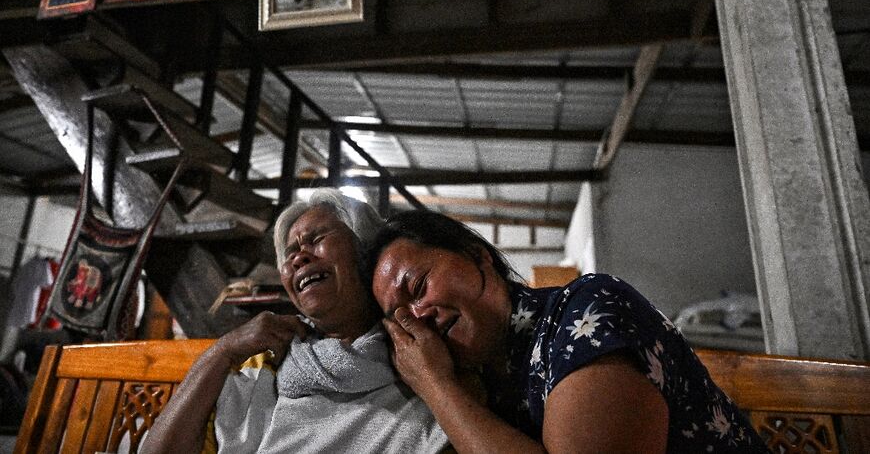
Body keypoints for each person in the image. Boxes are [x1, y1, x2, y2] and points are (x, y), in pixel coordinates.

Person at [369, 210, 770, 453]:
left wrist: (435, 387)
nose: (418, 316)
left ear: (478, 255)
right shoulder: (487, 380)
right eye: (401, 317)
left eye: (418, 287)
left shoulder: (586, 309)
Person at [143, 190, 447, 454]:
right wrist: (222, 351)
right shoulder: (264, 361)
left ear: (365, 251)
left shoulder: (421, 357)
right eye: (290, 255)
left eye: (315, 240)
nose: (298, 258)